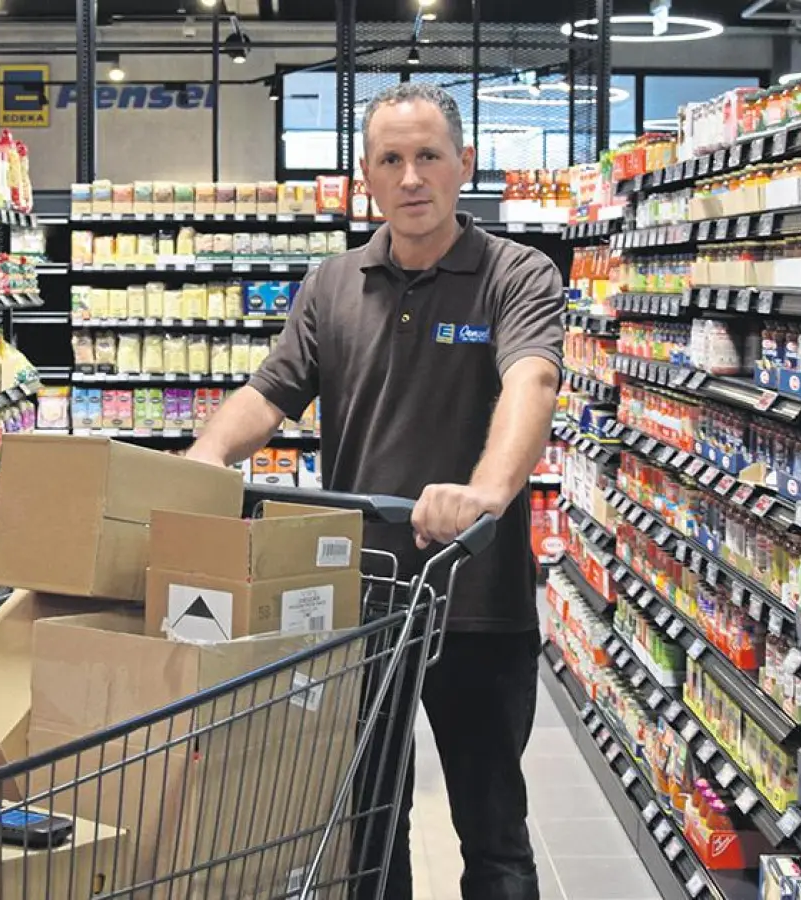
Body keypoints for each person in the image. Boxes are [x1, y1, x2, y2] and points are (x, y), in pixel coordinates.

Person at [185, 83, 564, 899]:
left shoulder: (515, 273)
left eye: (429, 155)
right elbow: (270, 391)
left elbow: (531, 380)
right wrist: (205, 456)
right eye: (391, 159)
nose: (411, 176)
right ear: (367, 176)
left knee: (494, 835)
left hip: (477, 603)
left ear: (464, 164)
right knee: (365, 828)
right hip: (359, 604)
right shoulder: (332, 283)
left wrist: (484, 495)